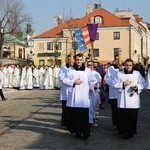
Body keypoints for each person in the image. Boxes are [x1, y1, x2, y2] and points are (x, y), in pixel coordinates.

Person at [65, 53, 98, 139]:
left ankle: (85, 132)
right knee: (75, 115)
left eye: (80, 60)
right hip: (74, 95)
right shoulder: (70, 70)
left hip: (83, 96)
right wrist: (73, 82)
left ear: (83, 60)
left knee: (83, 115)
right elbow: (65, 80)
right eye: (77, 60)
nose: (79, 61)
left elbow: (92, 80)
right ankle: (77, 132)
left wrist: (94, 85)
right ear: (75, 60)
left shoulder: (87, 70)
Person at [113, 59, 145, 139]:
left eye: (130, 65)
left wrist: (137, 87)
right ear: (125, 65)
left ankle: (131, 132)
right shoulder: (119, 74)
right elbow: (114, 84)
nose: (128, 67)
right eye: (127, 65)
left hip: (133, 99)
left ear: (132, 65)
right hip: (123, 100)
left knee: (132, 117)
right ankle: (123, 132)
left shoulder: (137, 74)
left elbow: (142, 83)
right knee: (123, 117)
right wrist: (123, 84)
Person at [58, 54, 71, 127]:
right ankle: (65, 123)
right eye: (68, 59)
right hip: (65, 92)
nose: (70, 60)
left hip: (72, 92)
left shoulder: (74, 69)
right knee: (65, 109)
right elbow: (60, 77)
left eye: (71, 59)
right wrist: (69, 81)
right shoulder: (63, 68)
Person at [87, 61, 101, 127]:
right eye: (89, 65)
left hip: (95, 92)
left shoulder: (96, 74)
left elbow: (98, 83)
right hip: (87, 92)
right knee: (89, 107)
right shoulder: (85, 72)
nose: (90, 66)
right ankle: (90, 120)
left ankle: (95, 120)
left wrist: (95, 86)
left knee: (94, 107)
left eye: (91, 65)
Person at [104, 63, 119, 128]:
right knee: (114, 109)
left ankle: (121, 123)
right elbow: (107, 78)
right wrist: (114, 83)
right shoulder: (110, 69)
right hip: (113, 93)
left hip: (122, 93)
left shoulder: (124, 68)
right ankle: (116, 123)